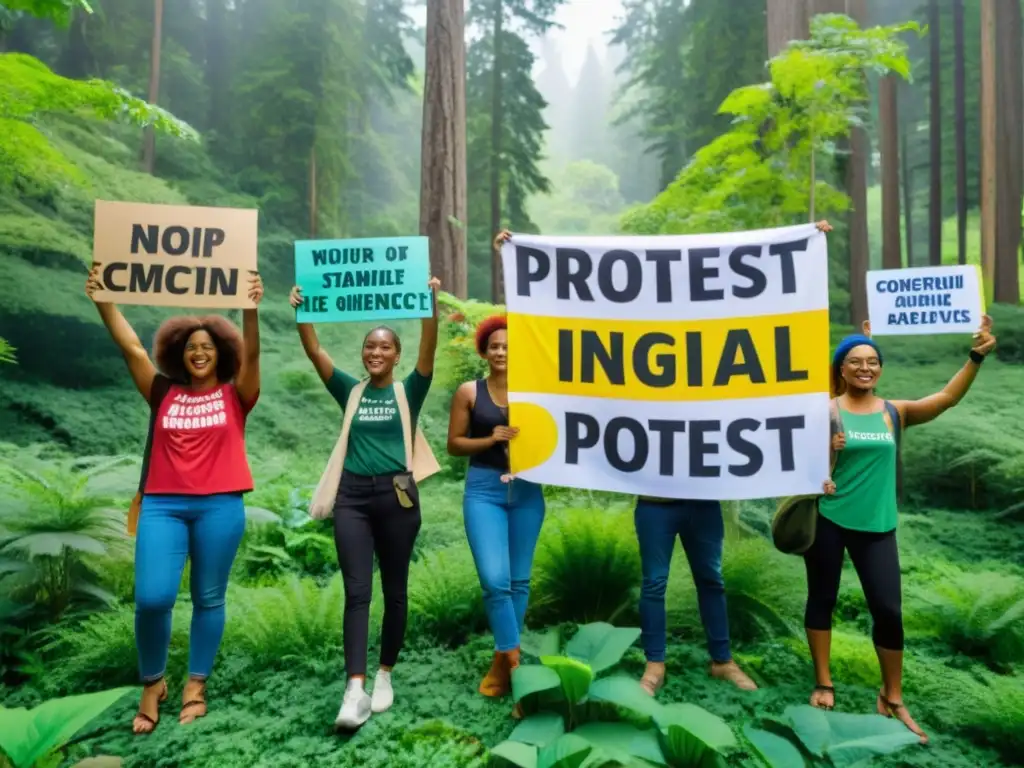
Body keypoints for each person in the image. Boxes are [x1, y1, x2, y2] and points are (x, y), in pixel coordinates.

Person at [85, 265, 264, 734]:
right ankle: (153, 682)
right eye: (191, 347)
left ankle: (195, 685)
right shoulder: (162, 390)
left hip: (220, 505)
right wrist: (104, 299)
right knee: (151, 598)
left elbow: (254, 354)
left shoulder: (236, 394)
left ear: (220, 353)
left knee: (208, 598)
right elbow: (131, 347)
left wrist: (250, 308)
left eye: (207, 346)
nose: (199, 352)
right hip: (163, 505)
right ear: (179, 354)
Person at [806, 315, 997, 745]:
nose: (865, 368)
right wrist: (825, 462)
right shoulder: (824, 410)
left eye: (872, 361)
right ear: (840, 369)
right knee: (823, 598)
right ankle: (823, 681)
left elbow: (946, 398)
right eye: (855, 361)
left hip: (877, 525)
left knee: (889, 611)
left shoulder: (895, 412)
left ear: (881, 368)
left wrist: (975, 358)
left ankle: (892, 695)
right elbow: (803, 463)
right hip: (829, 518)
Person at [289, 277, 440, 730]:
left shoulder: (408, 391)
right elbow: (316, 353)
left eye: (385, 347)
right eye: (369, 347)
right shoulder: (351, 391)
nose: (375, 352)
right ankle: (354, 690)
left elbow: (429, 351)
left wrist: (429, 306)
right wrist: (302, 311)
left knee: (395, 593)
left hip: (397, 497)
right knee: (357, 593)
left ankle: (385, 673)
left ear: (397, 355)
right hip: (352, 496)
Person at [446, 307, 545, 702]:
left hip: (527, 492)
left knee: (519, 581)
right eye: (494, 346)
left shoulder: (537, 391)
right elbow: (454, 444)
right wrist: (491, 438)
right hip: (484, 491)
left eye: (508, 346)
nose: (501, 351)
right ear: (483, 352)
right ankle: (518, 669)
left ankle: (501, 661)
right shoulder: (470, 392)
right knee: (494, 580)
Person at [633, 496, 759, 695]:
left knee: (711, 581)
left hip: (703, 503)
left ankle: (723, 662)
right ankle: (654, 665)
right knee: (654, 584)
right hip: (655, 504)